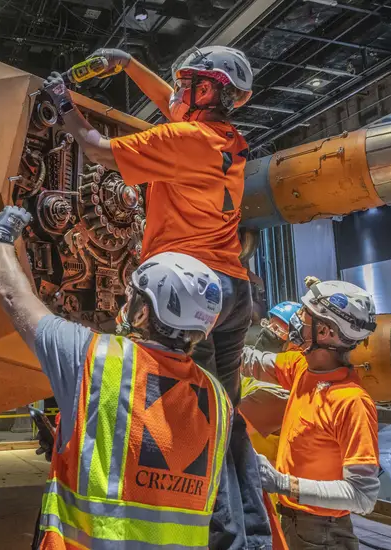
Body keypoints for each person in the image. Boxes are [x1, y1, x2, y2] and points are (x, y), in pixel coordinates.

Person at [41, 46, 272, 549]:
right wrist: (126, 64)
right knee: (227, 416)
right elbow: (169, 102)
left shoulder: (183, 138)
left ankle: (225, 539)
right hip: (233, 288)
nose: (180, 92)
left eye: (189, 84)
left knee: (197, 421)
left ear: (208, 91)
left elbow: (96, 148)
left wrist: (61, 103)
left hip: (192, 291)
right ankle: (255, 537)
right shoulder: (228, 140)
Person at [0, 205, 233, 549]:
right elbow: (157, 465)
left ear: (143, 313)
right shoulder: (219, 401)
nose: (126, 296)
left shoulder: (94, 357)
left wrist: (1, 237)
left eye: (133, 293)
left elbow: (15, 297)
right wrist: (71, 440)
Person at [243, 280, 381, 550]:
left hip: (323, 534)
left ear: (325, 331)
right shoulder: (301, 369)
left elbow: (362, 496)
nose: (297, 319)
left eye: (305, 315)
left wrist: (284, 484)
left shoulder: (351, 402)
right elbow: (252, 361)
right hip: (292, 520)